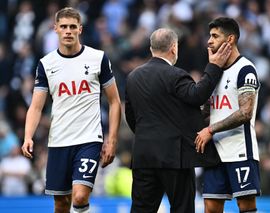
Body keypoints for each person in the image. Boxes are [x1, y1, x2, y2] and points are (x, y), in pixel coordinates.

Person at [21, 7, 121, 213]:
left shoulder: (98, 58)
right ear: (55, 29)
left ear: (80, 30)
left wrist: (112, 140)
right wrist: (28, 136)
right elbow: (36, 106)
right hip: (59, 141)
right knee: (61, 204)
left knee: (80, 195)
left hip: (89, 139)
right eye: (64, 26)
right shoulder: (46, 64)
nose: (68, 31)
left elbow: (114, 102)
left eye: (72, 27)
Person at [125, 28, 231, 213]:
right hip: (174, 157)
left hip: (143, 156)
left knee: (141, 210)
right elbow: (197, 96)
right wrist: (213, 67)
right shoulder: (175, 75)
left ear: (151, 49)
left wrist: (148, 135)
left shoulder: (133, 77)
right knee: (182, 208)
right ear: (174, 48)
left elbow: (131, 117)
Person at [195, 17, 261, 213]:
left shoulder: (245, 69)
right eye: (209, 36)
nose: (209, 41)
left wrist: (210, 129)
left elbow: (245, 113)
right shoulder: (213, 73)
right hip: (215, 153)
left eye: (215, 36)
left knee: (246, 207)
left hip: (240, 150)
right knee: (211, 208)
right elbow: (207, 111)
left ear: (230, 39)